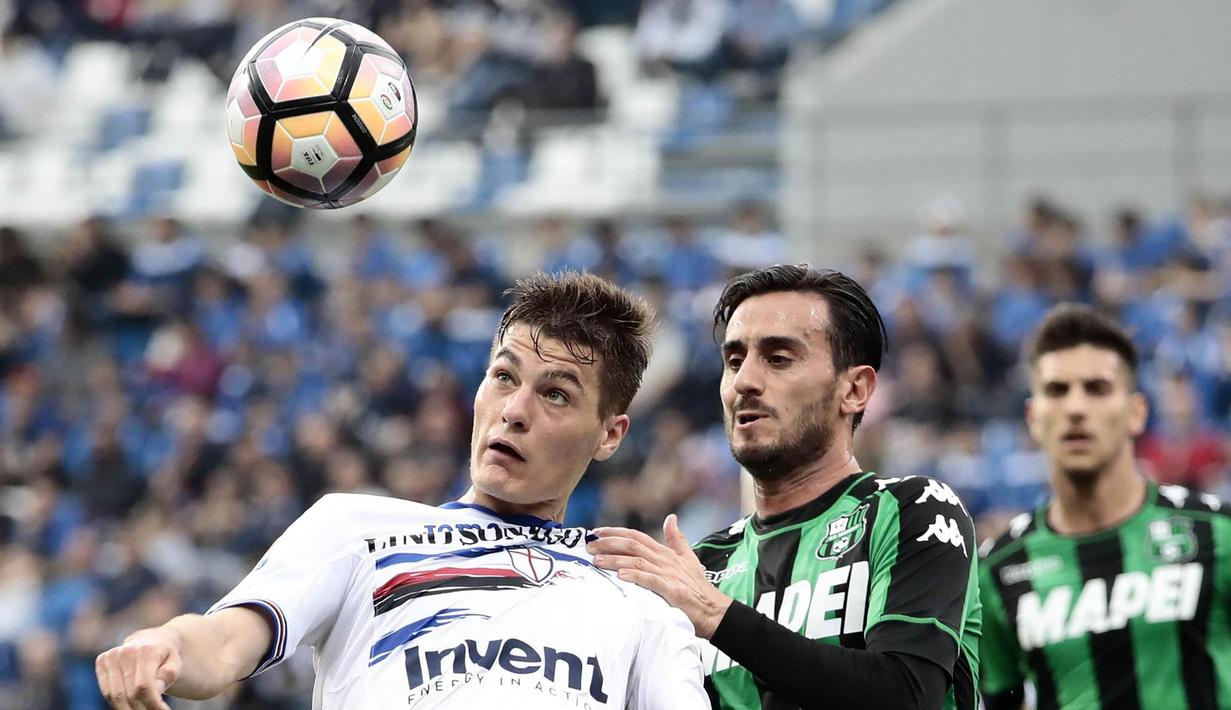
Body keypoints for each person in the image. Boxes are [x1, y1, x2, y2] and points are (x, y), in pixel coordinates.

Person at [95, 272, 708, 710]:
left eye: (556, 394)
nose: (513, 411)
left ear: (610, 434)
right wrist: (165, 642)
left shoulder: (641, 600)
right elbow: (227, 642)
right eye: (503, 376)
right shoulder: (357, 529)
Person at [589, 264, 981, 709]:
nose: (744, 382)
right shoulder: (704, 567)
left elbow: (906, 694)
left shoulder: (914, 510)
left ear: (854, 389)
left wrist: (716, 614)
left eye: (778, 359)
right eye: (734, 360)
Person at [978, 304, 1231, 710]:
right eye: (1057, 390)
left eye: (1097, 388)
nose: (1076, 408)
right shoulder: (998, 571)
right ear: (1033, 417)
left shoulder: (1218, 534)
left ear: (1136, 412)